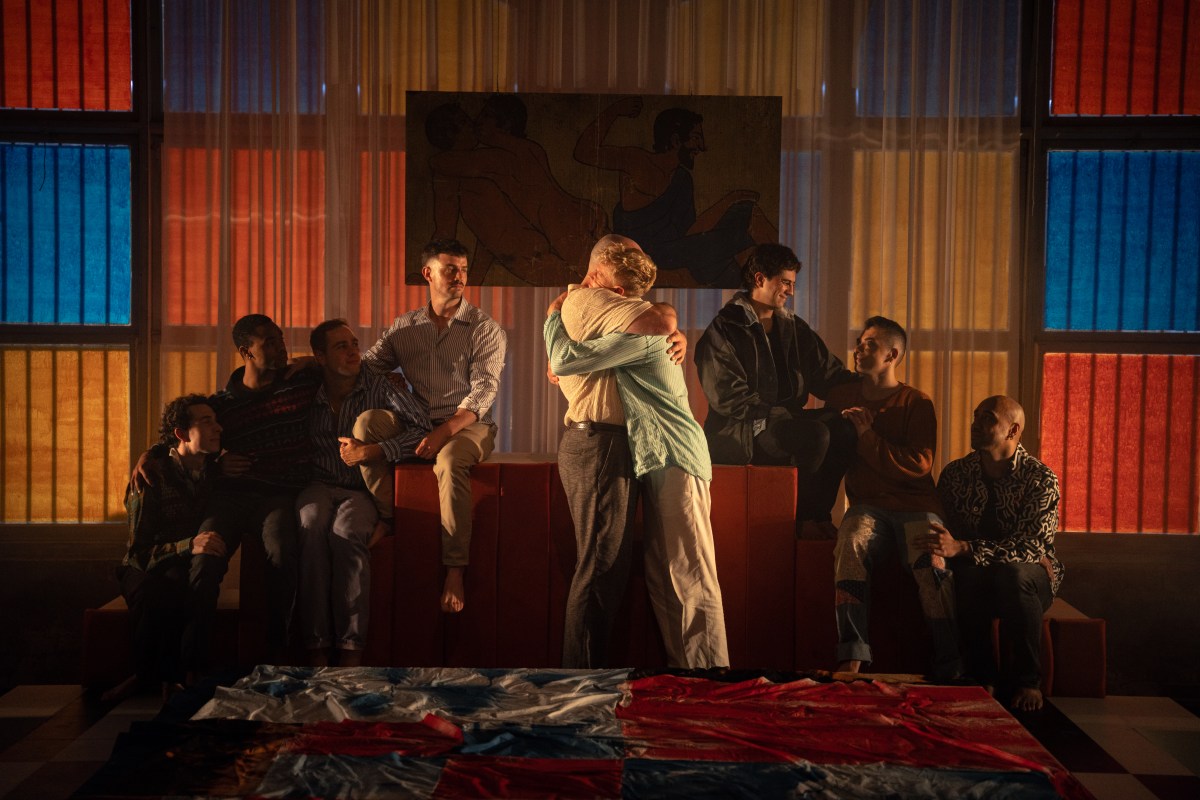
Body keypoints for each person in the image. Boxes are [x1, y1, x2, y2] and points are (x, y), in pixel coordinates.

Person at [546, 234, 729, 670]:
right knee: (663, 573)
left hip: (674, 452)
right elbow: (569, 361)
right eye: (620, 275)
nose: (625, 295)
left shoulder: (639, 327)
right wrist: (557, 321)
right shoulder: (598, 306)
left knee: (689, 572)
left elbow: (569, 359)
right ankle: (687, 674)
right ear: (596, 274)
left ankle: (709, 676)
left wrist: (552, 320)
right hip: (647, 451)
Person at [133, 314, 321, 662]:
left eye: (281, 339)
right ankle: (191, 665)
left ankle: (277, 657)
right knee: (205, 558)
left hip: (278, 496)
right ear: (245, 351)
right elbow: (180, 435)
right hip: (230, 498)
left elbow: (352, 366)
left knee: (282, 552)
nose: (281, 348)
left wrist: (314, 360)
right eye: (269, 342)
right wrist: (149, 456)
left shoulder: (301, 384)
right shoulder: (221, 404)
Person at [362, 239, 507, 613]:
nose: (459, 277)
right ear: (428, 273)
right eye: (450, 269)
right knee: (367, 424)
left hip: (468, 425)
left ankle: (455, 568)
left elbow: (484, 392)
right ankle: (387, 517)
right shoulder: (404, 327)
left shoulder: (484, 328)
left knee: (449, 460)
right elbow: (367, 367)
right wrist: (312, 365)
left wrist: (443, 432)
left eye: (463, 269)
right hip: (417, 420)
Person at [825, 316, 961, 680]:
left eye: (870, 344)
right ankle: (852, 653)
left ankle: (949, 662)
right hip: (868, 508)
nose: (858, 348)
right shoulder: (843, 397)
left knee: (931, 563)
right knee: (851, 543)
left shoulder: (915, 401)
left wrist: (867, 435)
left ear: (892, 355)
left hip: (916, 505)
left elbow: (918, 464)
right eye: (859, 341)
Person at [694, 243, 859, 537]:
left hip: (785, 422)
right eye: (785, 282)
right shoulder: (724, 329)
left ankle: (818, 517)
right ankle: (803, 521)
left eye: (793, 284)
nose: (791, 292)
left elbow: (828, 374)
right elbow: (726, 396)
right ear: (760, 280)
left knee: (844, 429)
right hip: (742, 429)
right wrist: (774, 415)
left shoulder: (793, 327)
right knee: (814, 435)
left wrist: (873, 383)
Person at [918, 395, 1064, 711]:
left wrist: (967, 547)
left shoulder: (1041, 479)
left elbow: (1031, 547)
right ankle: (981, 674)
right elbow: (946, 528)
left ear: (1012, 430)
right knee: (966, 575)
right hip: (976, 572)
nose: (975, 424)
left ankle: (1028, 681)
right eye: (975, 416)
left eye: (987, 418)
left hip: (1029, 574)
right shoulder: (957, 474)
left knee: (1014, 575)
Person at [297, 320, 429, 667]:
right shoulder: (307, 387)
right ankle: (316, 647)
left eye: (354, 343)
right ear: (320, 356)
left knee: (347, 533)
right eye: (341, 346)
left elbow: (424, 431)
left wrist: (377, 450)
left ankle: (351, 650)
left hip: (360, 490)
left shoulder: (379, 383)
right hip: (318, 484)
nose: (353, 350)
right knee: (310, 525)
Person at [574, 95, 777, 286]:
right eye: (696, 138)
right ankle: (775, 280)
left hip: (676, 251)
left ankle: (777, 279)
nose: (702, 146)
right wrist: (615, 110)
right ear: (675, 140)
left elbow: (690, 233)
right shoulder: (637, 161)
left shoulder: (681, 179)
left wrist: (731, 200)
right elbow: (584, 152)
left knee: (745, 210)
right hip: (644, 256)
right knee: (740, 229)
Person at [116, 395, 225, 700]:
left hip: (183, 562)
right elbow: (138, 553)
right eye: (206, 422)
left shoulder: (215, 472)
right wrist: (188, 545)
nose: (218, 428)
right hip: (142, 566)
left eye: (216, 420)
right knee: (158, 592)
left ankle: (179, 678)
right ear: (181, 433)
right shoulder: (151, 475)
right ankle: (147, 678)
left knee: (193, 581)